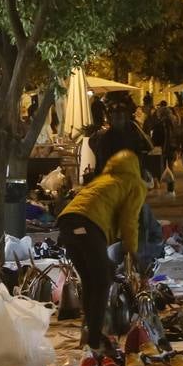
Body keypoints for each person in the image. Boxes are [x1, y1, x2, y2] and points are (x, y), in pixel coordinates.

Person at [58, 150, 148, 352]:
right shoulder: (134, 184)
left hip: (67, 224)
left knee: (91, 280)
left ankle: (90, 332)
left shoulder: (103, 179)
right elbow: (129, 220)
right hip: (88, 226)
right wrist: (132, 252)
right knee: (101, 281)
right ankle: (94, 340)